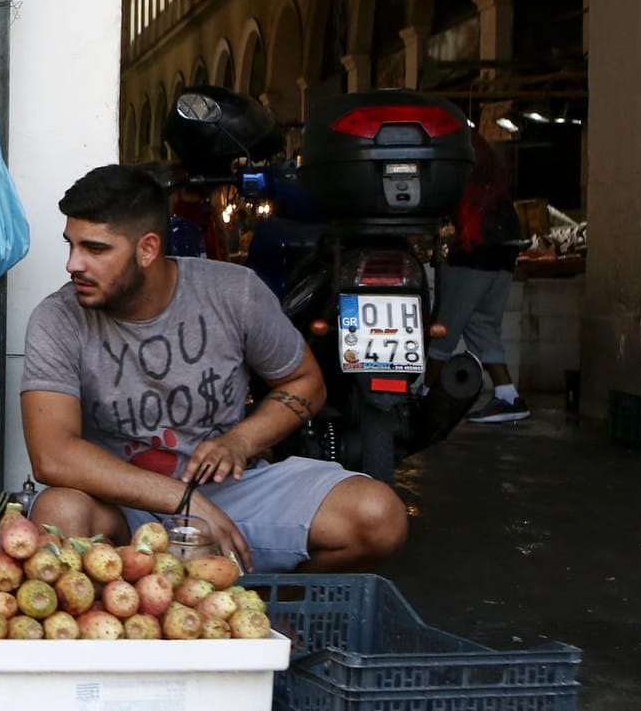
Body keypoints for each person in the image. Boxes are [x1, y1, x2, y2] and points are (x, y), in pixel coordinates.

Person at [21, 165, 407, 573]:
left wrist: (241, 440)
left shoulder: (234, 293)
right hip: (121, 505)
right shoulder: (58, 318)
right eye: (72, 246)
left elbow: (306, 383)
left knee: (379, 515)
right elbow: (52, 455)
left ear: (147, 249)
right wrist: (181, 499)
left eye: (95, 249)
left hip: (230, 496)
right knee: (59, 511)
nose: (73, 265)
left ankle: (273, 615)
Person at [430, 130, 529, 423]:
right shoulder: (477, 146)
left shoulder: (450, 144)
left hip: (477, 242)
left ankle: (422, 397)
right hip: (506, 240)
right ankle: (508, 397)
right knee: (482, 323)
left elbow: (439, 195)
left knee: (444, 328)